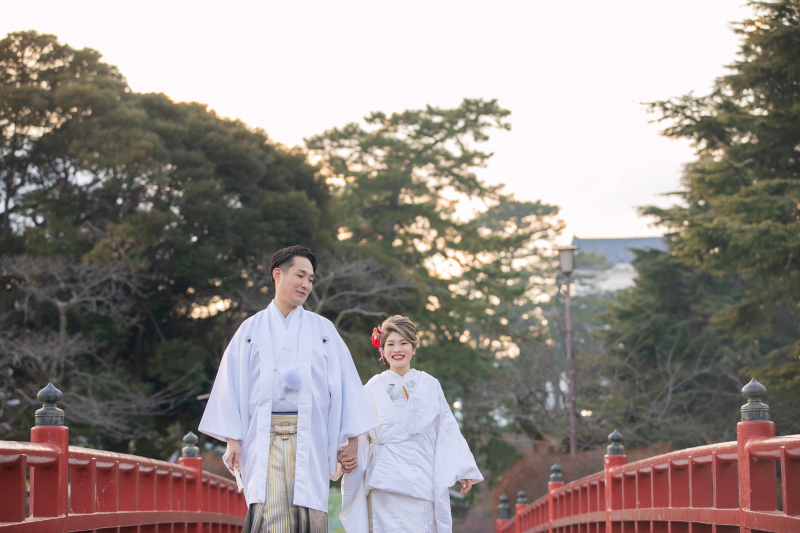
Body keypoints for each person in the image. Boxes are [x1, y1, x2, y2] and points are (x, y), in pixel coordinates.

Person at [199, 245, 378, 533]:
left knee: (307, 512)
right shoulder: (250, 330)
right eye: (300, 275)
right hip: (262, 435)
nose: (306, 284)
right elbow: (230, 385)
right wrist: (232, 440)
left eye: (311, 279)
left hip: (311, 436)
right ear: (277, 274)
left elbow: (346, 385)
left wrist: (353, 440)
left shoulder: (323, 331)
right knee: (269, 512)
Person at [338, 315, 483, 533]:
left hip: (422, 478)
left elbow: (447, 428)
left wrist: (462, 468)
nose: (397, 349)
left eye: (404, 343)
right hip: (384, 482)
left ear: (414, 348)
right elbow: (356, 431)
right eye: (391, 344)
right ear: (383, 350)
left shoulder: (430, 385)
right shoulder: (372, 388)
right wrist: (346, 455)